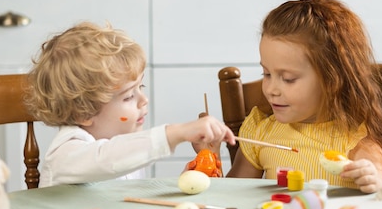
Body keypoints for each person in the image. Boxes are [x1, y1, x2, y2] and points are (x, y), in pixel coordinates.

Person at [227, 0, 382, 193]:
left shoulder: (357, 139)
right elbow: (232, 196)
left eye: (288, 79)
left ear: (332, 79)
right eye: (266, 73)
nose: (271, 90)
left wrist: (377, 180)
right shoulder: (261, 131)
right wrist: (207, 159)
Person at [26, 22, 235, 187]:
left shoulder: (125, 143)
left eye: (140, 87)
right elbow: (107, 160)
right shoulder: (66, 154)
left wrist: (195, 175)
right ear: (83, 113)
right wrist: (175, 133)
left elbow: (131, 199)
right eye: (128, 97)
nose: (144, 100)